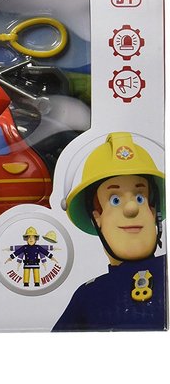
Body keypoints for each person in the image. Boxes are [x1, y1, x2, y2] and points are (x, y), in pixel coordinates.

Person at [54, 132, 166, 331]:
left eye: (140, 198)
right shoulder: (89, 296)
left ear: (153, 211)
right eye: (115, 200)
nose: (131, 208)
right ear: (97, 217)